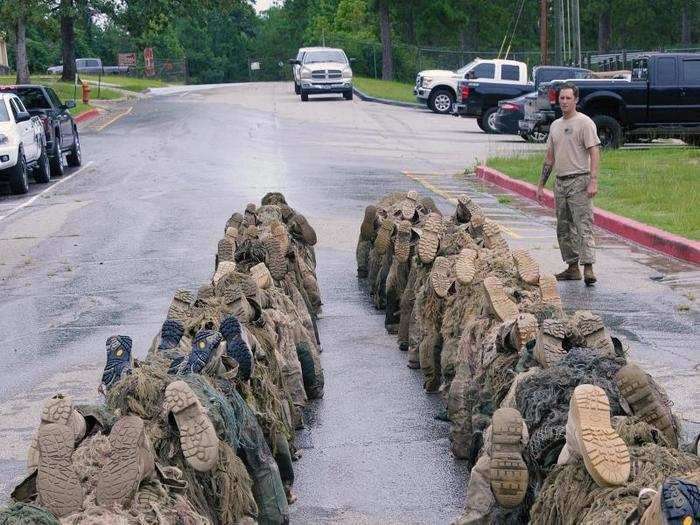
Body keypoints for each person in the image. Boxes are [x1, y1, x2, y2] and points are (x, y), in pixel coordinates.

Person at [536, 82, 600, 286]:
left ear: (576, 100)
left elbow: (594, 151)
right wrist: (540, 185)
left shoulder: (585, 123)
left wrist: (593, 180)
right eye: (561, 98)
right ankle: (572, 267)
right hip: (561, 182)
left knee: (583, 224)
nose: (564, 101)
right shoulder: (555, 125)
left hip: (579, 180)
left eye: (568, 98)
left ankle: (588, 267)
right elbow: (549, 158)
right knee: (563, 227)